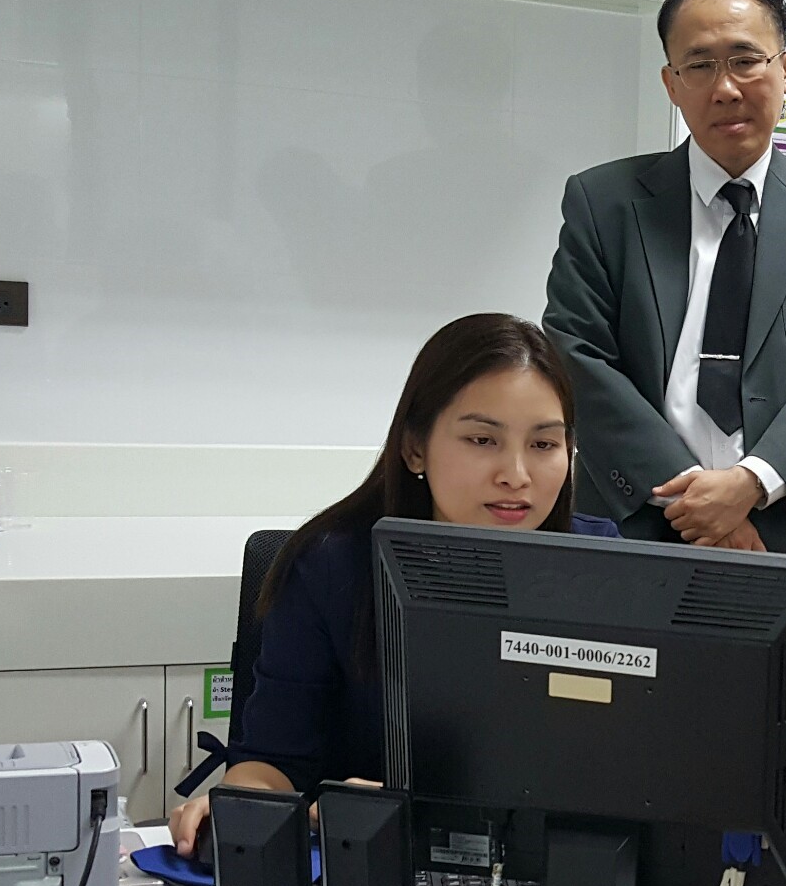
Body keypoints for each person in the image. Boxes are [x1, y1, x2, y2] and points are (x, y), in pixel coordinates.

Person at [167, 314, 618, 855]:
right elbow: (269, 764)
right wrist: (240, 806)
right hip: (365, 866)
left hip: (557, 868)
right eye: (483, 439)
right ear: (414, 448)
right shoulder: (329, 566)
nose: (516, 474)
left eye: (544, 444)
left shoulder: (604, 567)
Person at [543, 0, 786, 558]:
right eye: (700, 66)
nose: (726, 88)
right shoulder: (604, 203)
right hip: (635, 524)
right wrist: (697, 504)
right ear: (671, 84)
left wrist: (750, 484)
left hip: (785, 530)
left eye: (746, 60)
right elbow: (577, 355)